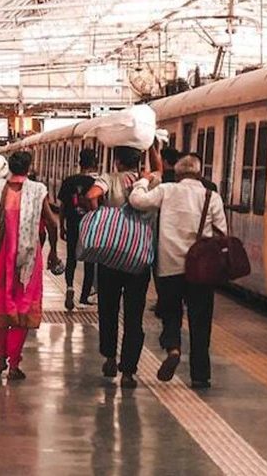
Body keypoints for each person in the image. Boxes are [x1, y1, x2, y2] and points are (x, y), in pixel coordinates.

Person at [130, 153, 227, 389]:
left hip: (169, 265)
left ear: (178, 173)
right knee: (200, 321)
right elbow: (221, 232)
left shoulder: (167, 190)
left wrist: (144, 180)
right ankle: (200, 375)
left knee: (171, 313)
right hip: (201, 269)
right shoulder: (211, 196)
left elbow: (137, 201)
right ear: (199, 173)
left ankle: (173, 349)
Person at [0, 151, 60, 381]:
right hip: (26, 260)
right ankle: (14, 365)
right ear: (29, 167)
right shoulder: (37, 190)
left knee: (1, 306)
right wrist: (53, 251)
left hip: (0, 257)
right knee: (22, 306)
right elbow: (52, 223)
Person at [85, 146, 148, 389]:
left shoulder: (109, 179)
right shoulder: (147, 181)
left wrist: (101, 216)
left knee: (108, 309)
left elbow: (92, 195)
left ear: (118, 162)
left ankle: (110, 358)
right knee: (134, 315)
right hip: (139, 256)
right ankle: (129, 371)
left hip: (112, 255)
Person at [57, 149, 100, 311]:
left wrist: (62, 225)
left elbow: (62, 206)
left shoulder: (69, 181)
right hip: (89, 227)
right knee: (90, 261)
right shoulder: (95, 183)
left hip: (72, 224)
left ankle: (69, 287)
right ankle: (84, 297)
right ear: (93, 163)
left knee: (71, 258)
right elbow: (97, 207)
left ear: (79, 162)